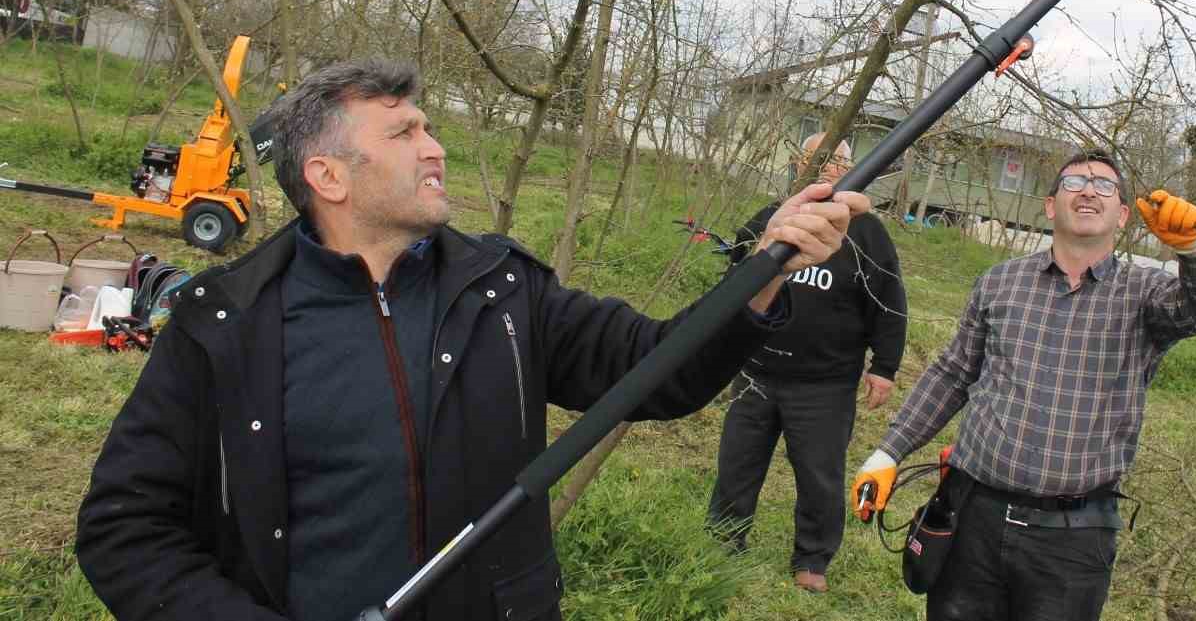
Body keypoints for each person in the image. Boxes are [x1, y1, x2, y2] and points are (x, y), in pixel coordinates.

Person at [75, 59, 868, 621]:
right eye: (403, 133)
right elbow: (123, 528)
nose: (436, 147)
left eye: (428, 126)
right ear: (328, 176)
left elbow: (656, 368)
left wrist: (764, 270)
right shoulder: (225, 321)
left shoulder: (503, 290)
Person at [852, 149, 1196, 621]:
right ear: (1051, 206)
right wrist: (888, 453)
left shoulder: (1147, 294)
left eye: (1104, 186)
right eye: (1074, 183)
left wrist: (1195, 252)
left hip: (1072, 540)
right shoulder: (1000, 283)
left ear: (1122, 215)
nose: (1089, 191)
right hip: (973, 516)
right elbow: (952, 373)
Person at [706, 133, 908, 594]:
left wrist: (885, 366)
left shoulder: (866, 233)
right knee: (737, 465)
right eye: (817, 159)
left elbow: (889, 301)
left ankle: (813, 559)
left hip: (825, 383)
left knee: (820, 476)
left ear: (850, 170)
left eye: (837, 162)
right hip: (756, 373)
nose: (827, 168)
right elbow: (735, 281)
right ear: (799, 165)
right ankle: (723, 539)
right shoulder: (772, 218)